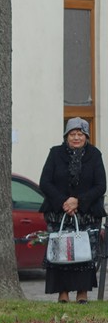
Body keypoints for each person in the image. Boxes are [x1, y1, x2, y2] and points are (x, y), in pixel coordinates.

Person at [39, 117, 106, 303]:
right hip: (59, 213)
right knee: (61, 252)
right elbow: (45, 182)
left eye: (80, 134)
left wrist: (79, 202)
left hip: (87, 213)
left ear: (86, 136)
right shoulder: (55, 153)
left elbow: (101, 185)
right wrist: (64, 202)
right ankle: (63, 293)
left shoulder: (95, 155)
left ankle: (82, 293)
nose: (76, 138)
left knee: (84, 254)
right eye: (72, 134)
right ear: (66, 136)